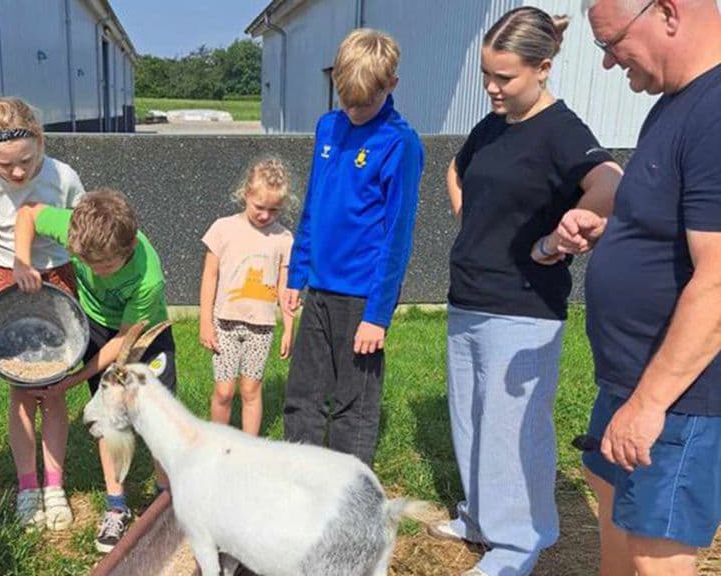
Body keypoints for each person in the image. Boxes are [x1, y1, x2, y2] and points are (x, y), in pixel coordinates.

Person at [430, 7, 624, 576]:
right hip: (468, 296)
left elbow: (610, 181)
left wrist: (565, 232)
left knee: (514, 429)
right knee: (469, 419)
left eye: (504, 78)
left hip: (523, 307)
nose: (491, 87)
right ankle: (481, 518)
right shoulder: (495, 122)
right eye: (487, 75)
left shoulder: (562, 129)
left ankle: (519, 543)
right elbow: (456, 168)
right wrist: (473, 225)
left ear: (542, 69)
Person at [581, 1, 721, 574]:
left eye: (613, 43)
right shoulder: (673, 105)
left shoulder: (715, 113)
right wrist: (613, 230)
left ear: (666, 12)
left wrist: (649, 403)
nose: (612, 64)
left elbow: (718, 277)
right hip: (633, 377)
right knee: (613, 507)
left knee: (654, 557)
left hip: (678, 395)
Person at [282, 28, 423, 467]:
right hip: (319, 288)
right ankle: (300, 478)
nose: (355, 111)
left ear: (391, 86)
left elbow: (397, 237)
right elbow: (313, 208)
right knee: (302, 392)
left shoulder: (400, 144)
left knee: (353, 403)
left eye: (365, 102)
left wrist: (376, 316)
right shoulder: (328, 127)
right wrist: (296, 274)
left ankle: (349, 491)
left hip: (361, 297)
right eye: (347, 100)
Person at [13, 189, 176, 553]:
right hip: (96, 326)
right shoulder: (78, 227)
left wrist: (72, 379)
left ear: (129, 245)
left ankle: (166, 500)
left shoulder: (147, 278)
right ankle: (116, 505)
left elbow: (125, 342)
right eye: (85, 262)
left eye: (103, 266)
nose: (95, 271)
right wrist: (21, 262)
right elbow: (27, 214)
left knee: (156, 420)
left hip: (142, 334)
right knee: (108, 418)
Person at [0, 96, 86, 531]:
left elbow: (75, 231)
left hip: (56, 277)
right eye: (4, 165)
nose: (17, 173)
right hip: (4, 280)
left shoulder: (62, 177)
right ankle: (27, 485)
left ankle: (54, 484)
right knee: (19, 389)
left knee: (53, 389)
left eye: (25, 161)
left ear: (40, 141)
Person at [199, 158, 295, 435]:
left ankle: (249, 448)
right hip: (224, 323)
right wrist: (205, 320)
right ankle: (217, 443)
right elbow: (210, 276)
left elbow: (284, 287)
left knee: (251, 389)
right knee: (224, 390)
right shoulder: (222, 228)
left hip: (261, 327)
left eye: (274, 210)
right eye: (259, 207)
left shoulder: (283, 238)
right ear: (246, 194)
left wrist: (289, 327)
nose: (265, 215)